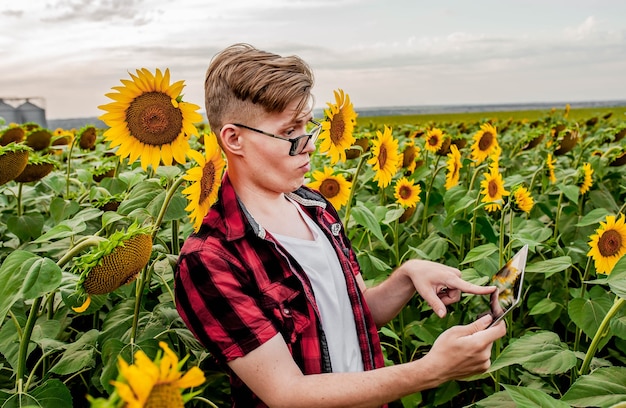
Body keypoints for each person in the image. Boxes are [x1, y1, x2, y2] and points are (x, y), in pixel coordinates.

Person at [175, 43, 506, 408]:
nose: (310, 146)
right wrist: (431, 370)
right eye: (290, 132)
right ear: (234, 138)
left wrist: (406, 277)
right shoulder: (211, 260)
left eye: (308, 125)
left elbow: (355, 312)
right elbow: (287, 393)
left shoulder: (316, 209)